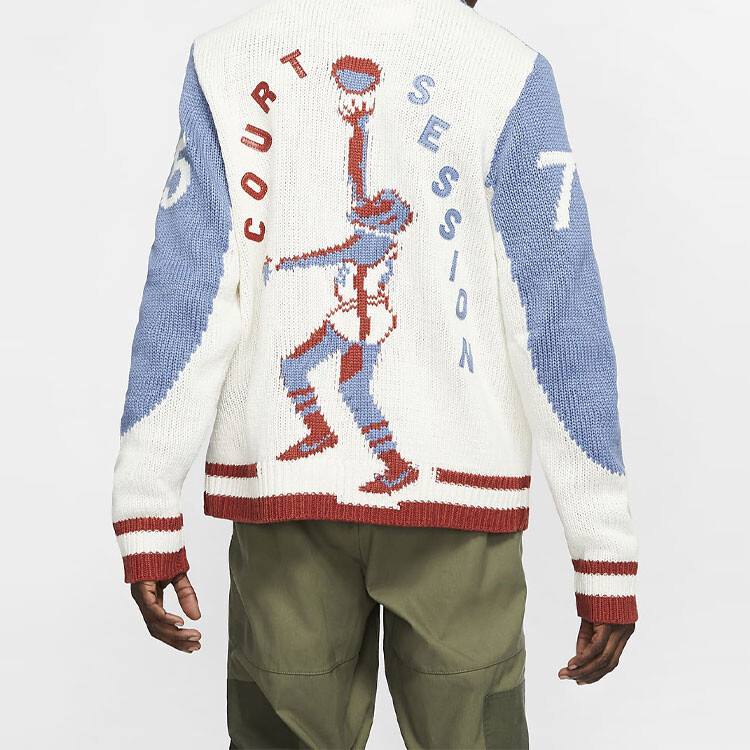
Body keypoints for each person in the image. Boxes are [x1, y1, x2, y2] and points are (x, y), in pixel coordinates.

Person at [112, 1, 638, 747]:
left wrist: (146, 507)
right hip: (456, 502)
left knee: (341, 384)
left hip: (296, 502)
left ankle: (369, 451)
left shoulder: (228, 59)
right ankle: (361, 447)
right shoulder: (506, 69)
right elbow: (559, 315)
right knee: (472, 734)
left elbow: (183, 299)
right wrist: (603, 548)